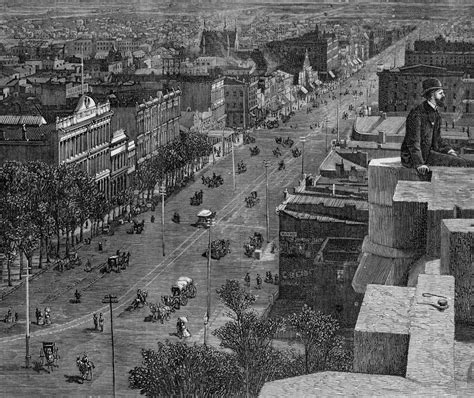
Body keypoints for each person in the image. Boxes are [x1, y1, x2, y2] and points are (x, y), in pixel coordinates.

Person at [401, 78, 474, 176]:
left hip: (428, 153)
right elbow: (413, 142)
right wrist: (419, 164)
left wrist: (449, 150)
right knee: (461, 163)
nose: (444, 96)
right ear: (431, 95)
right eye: (440, 93)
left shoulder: (436, 114)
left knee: (460, 160)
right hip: (412, 158)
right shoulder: (417, 113)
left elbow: (438, 140)